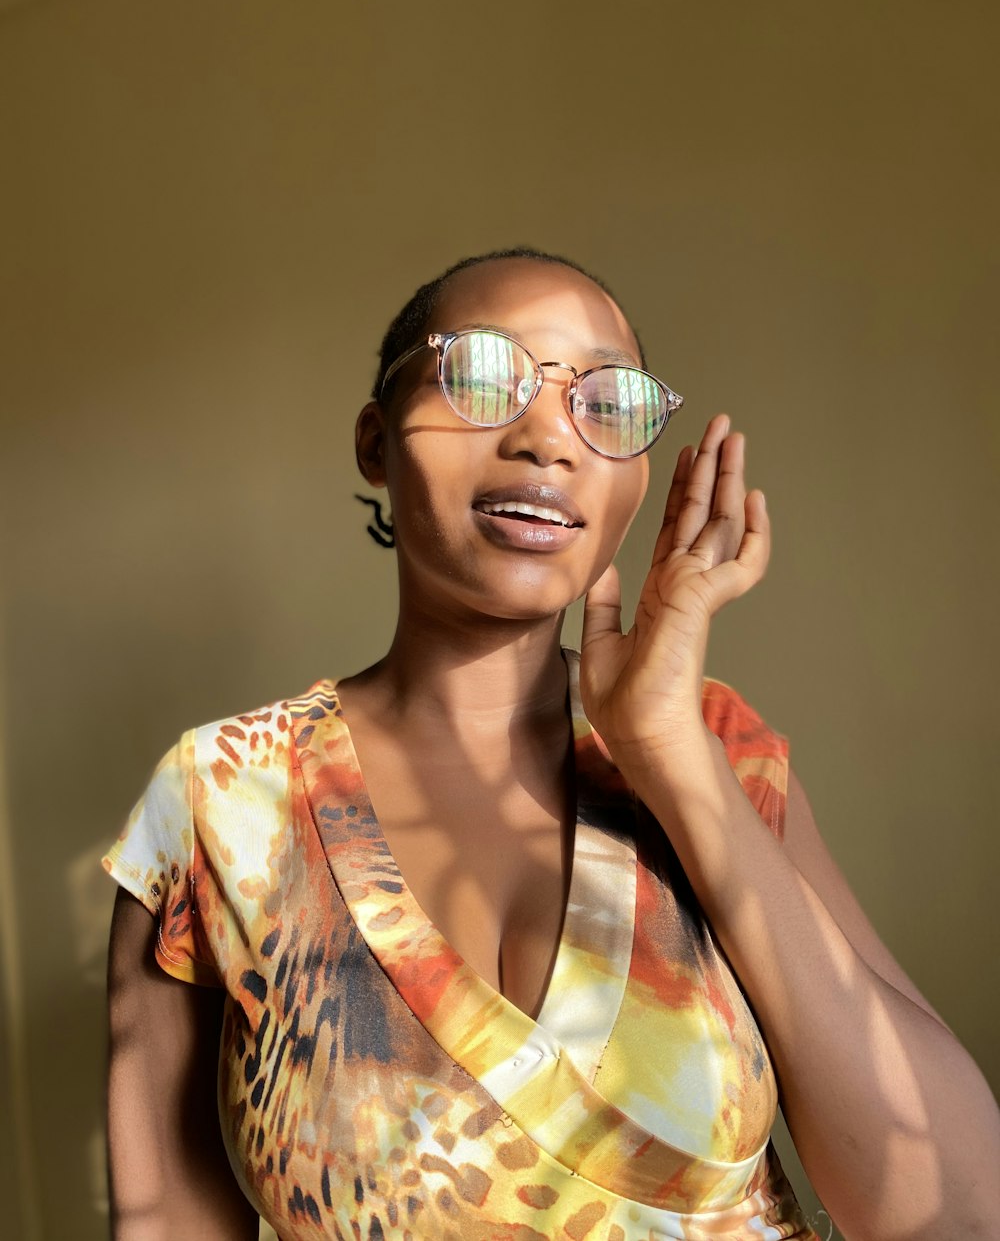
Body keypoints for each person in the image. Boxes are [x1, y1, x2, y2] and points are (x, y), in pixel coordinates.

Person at [104, 248, 1000, 1241]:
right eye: (484, 379)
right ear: (374, 441)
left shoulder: (721, 754)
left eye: (605, 402)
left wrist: (665, 751)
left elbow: (957, 1211)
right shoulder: (220, 801)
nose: (547, 438)